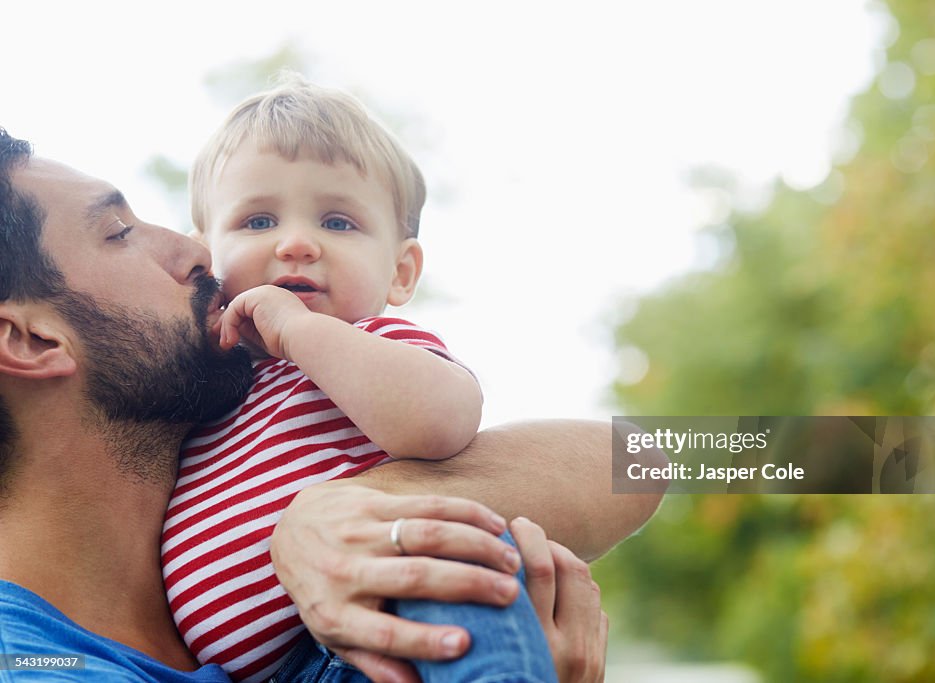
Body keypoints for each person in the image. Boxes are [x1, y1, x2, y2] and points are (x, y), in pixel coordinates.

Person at [0, 128, 663, 682]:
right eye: (119, 231)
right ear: (29, 338)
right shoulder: (33, 661)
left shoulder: (275, 414)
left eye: (338, 220)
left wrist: (338, 507)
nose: (195, 249)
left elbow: (640, 457)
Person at [161, 75, 547, 681]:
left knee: (445, 562)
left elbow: (443, 421)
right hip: (276, 673)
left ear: (400, 272)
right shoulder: (203, 387)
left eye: (338, 223)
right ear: (205, 258)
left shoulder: (373, 345)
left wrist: (297, 332)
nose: (296, 244)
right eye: (258, 221)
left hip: (381, 627)